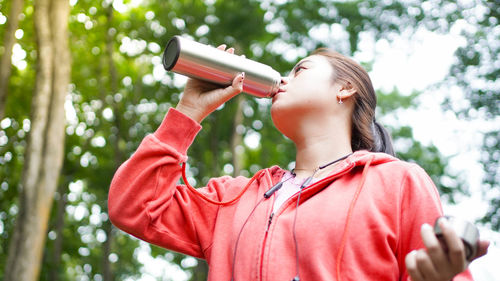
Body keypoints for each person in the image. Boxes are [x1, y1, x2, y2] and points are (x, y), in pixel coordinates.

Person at [108, 44, 489, 281]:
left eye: (300, 70)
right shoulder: (234, 198)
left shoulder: (396, 182)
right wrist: (188, 110)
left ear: (345, 89)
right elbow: (134, 207)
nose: (283, 80)